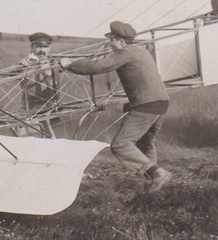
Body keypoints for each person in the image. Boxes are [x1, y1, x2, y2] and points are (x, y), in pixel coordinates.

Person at [59, 21, 172, 191]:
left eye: (111, 40)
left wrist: (70, 65)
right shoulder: (141, 51)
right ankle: (152, 185)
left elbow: (99, 66)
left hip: (147, 105)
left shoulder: (125, 52)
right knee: (146, 142)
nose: (109, 44)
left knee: (120, 145)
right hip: (161, 103)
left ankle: (157, 173)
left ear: (120, 41)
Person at [20, 32, 58, 112]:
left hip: (52, 108)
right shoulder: (24, 63)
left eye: (45, 47)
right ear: (32, 47)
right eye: (38, 46)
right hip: (29, 110)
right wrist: (21, 67)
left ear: (49, 48)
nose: (42, 50)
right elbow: (8, 72)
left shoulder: (54, 62)